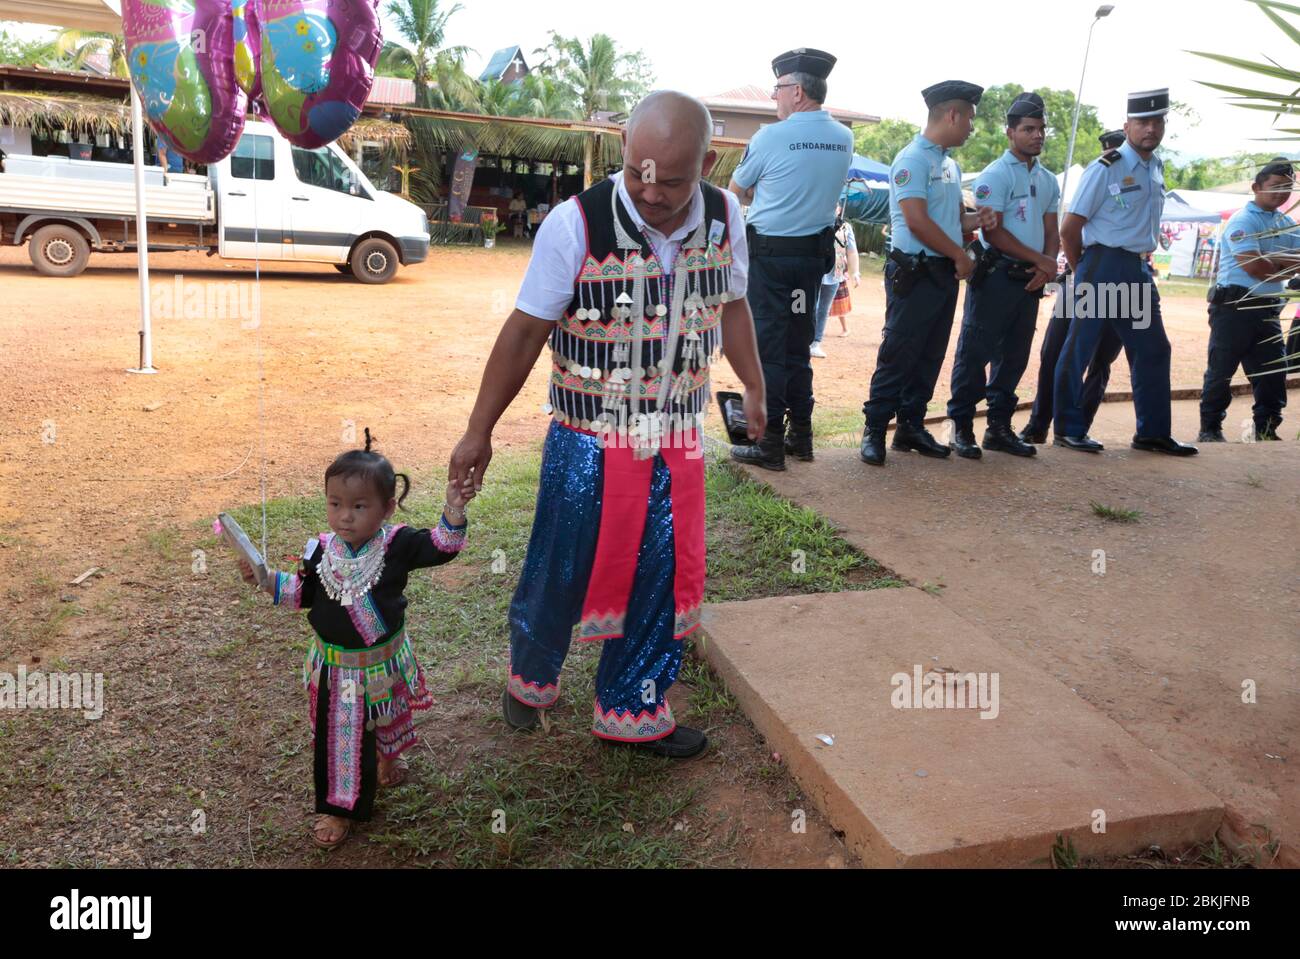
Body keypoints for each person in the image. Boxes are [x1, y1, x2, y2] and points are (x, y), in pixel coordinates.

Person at [448, 91, 763, 760]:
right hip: (587, 440)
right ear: (624, 148)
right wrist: (479, 430)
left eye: (673, 179)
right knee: (562, 568)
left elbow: (732, 305)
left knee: (662, 573)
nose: (651, 192)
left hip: (675, 437)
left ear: (708, 162)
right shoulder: (575, 224)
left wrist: (757, 386)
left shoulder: (727, 216)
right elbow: (525, 330)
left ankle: (632, 706)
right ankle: (531, 676)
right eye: (640, 170)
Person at [233, 429, 473, 849]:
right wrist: (265, 579)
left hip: (384, 662)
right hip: (338, 669)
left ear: (387, 508)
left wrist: (453, 509)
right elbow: (303, 594)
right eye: (336, 504)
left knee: (387, 718)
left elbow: (443, 547)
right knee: (341, 740)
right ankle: (337, 808)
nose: (345, 516)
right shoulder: (320, 550)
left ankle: (387, 757)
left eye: (359, 506)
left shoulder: (398, 544)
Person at [728, 48, 853, 470]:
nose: (774, 96)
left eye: (778, 88)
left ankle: (769, 446)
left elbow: (735, 192)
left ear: (796, 91)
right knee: (798, 346)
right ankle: (803, 436)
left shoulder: (769, 137)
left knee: (769, 351)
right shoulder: (843, 138)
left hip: (770, 263)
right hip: (809, 264)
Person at [859, 80, 996, 466]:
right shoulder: (912, 159)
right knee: (898, 352)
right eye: (969, 117)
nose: (971, 126)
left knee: (930, 353)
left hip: (941, 272)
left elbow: (950, 220)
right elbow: (917, 221)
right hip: (915, 272)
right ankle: (874, 430)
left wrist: (977, 220)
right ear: (952, 114)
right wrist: (960, 255)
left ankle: (910, 426)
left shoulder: (949, 165)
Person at [1053, 89, 1197, 456]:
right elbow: (1070, 229)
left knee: (1152, 349)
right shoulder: (1106, 168)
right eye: (1142, 122)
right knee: (1079, 349)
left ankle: (1152, 432)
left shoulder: (1156, 167)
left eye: (1157, 122)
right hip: (1101, 264)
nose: (1150, 129)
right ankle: (1068, 429)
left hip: (1135, 267)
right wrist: (1081, 271)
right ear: (1126, 126)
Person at [946, 92, 1060, 459]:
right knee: (974, 353)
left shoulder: (1047, 179)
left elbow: (1052, 229)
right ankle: (961, 427)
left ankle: (998, 428)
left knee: (1015, 356)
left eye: (1041, 129)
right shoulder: (995, 175)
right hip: (996, 277)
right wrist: (1043, 261)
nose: (1037, 136)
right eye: (1028, 129)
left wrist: (1047, 264)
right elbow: (992, 232)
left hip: (1029, 281)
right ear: (1010, 132)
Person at [1018, 129, 1127, 445]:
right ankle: (1038, 425)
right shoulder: (1095, 181)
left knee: (1100, 361)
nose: (1110, 159)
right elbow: (1069, 231)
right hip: (1080, 279)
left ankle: (1077, 428)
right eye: (1107, 153)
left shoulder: (1137, 187)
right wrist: (1081, 273)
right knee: (1053, 353)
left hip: (1120, 284)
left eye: (1115, 153)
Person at [1198, 157, 1300, 442]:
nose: (1282, 192)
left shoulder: (1286, 222)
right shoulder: (1243, 220)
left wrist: (1275, 262)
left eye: (1288, 187)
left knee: (1272, 373)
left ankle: (1266, 429)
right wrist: (1283, 263)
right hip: (1235, 307)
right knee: (1221, 371)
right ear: (1257, 187)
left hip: (1266, 309)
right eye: (1276, 186)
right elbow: (1255, 268)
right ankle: (1210, 428)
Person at [811, 208, 859, 358]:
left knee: (823, 309)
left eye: (836, 205)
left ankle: (815, 343)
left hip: (834, 274)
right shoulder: (813, 220)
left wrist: (855, 272)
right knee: (803, 305)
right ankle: (799, 339)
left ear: (840, 209)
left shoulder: (845, 227)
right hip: (811, 271)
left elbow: (851, 251)